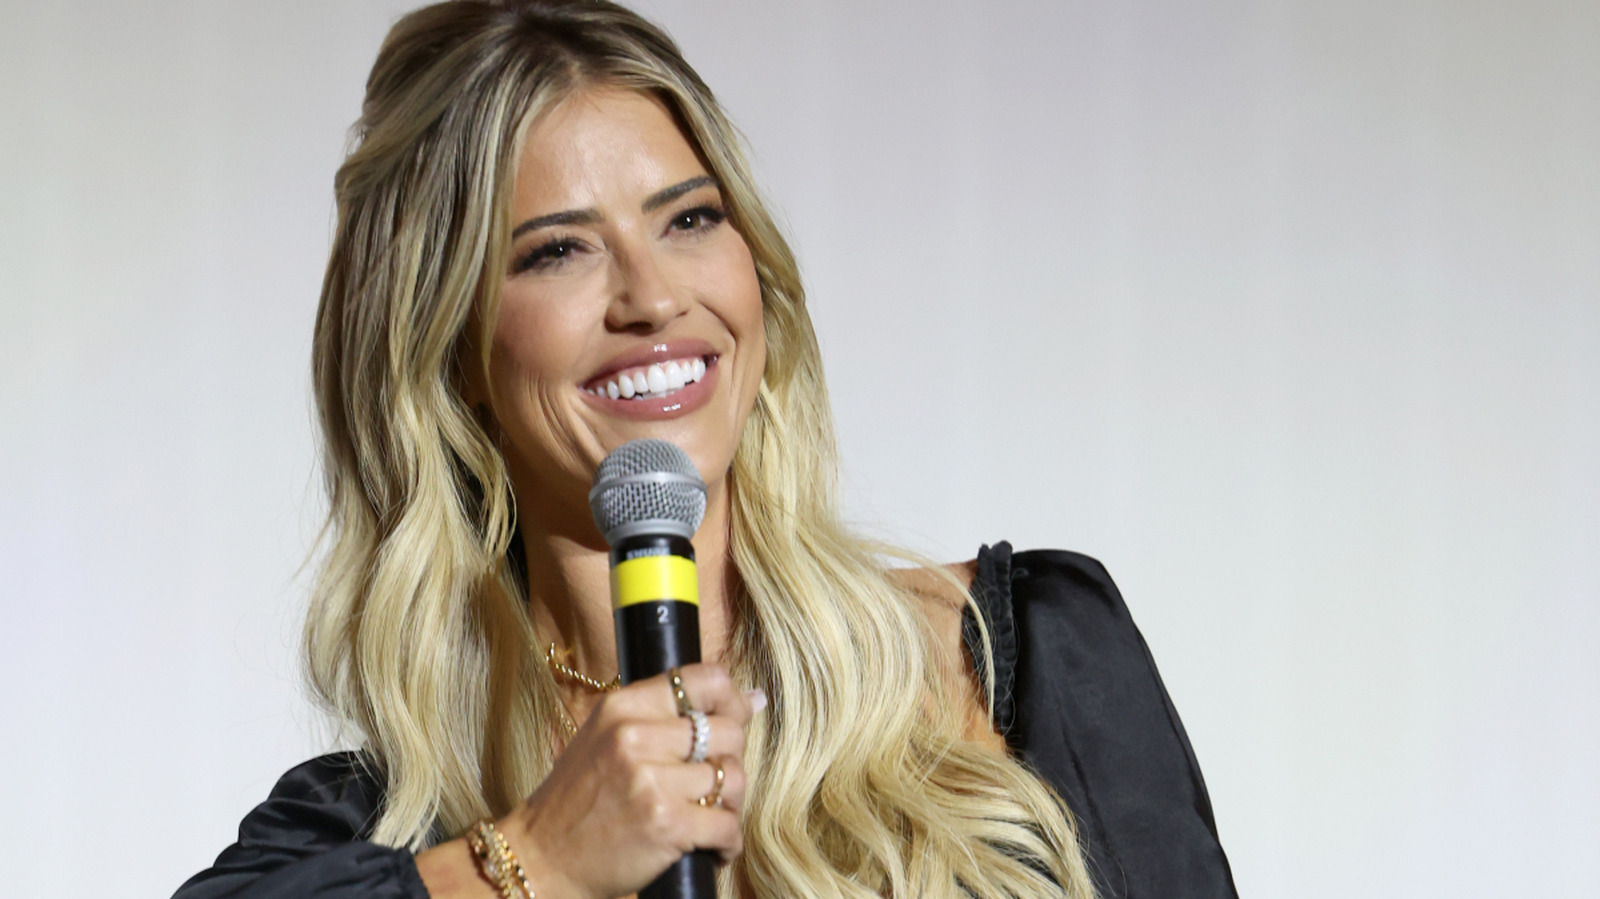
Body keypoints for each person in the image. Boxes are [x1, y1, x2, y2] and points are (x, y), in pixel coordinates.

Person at [175, 2, 1237, 897]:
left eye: (688, 220)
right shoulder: (371, 826)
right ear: (450, 351)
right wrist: (539, 858)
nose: (652, 297)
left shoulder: (1015, 659)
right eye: (557, 250)